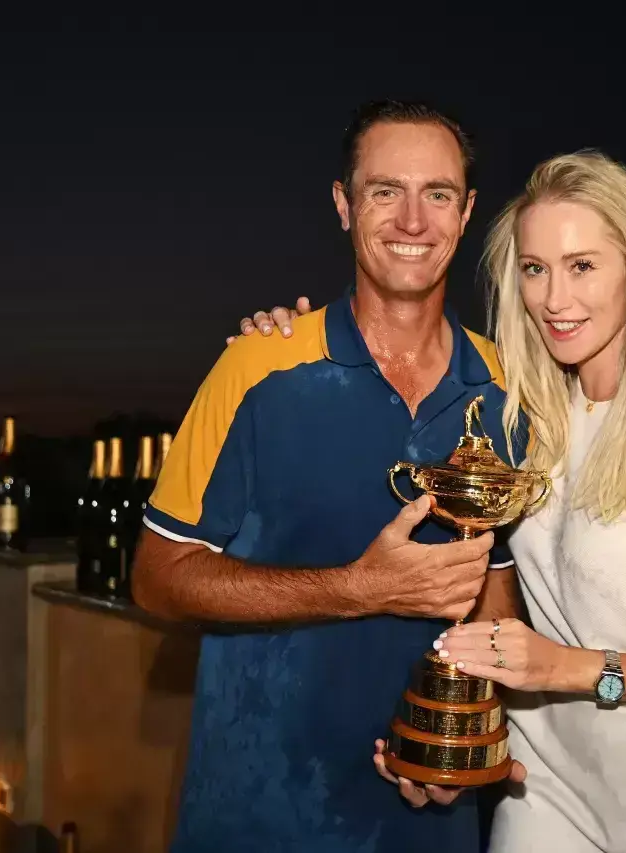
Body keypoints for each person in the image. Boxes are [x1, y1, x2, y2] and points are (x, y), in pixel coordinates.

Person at [239, 150, 626, 851]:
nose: (556, 300)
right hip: (543, 780)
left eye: (583, 265)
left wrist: (568, 668)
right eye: (536, 269)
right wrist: (452, 745)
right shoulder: (530, 412)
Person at [133, 99, 527, 853]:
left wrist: (468, 741)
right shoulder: (257, 365)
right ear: (345, 205)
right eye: (386, 191)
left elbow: (494, 596)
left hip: (430, 819)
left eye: (437, 194)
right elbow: (157, 578)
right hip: (259, 819)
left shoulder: (506, 390)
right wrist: (360, 586)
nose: (413, 220)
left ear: (467, 210)